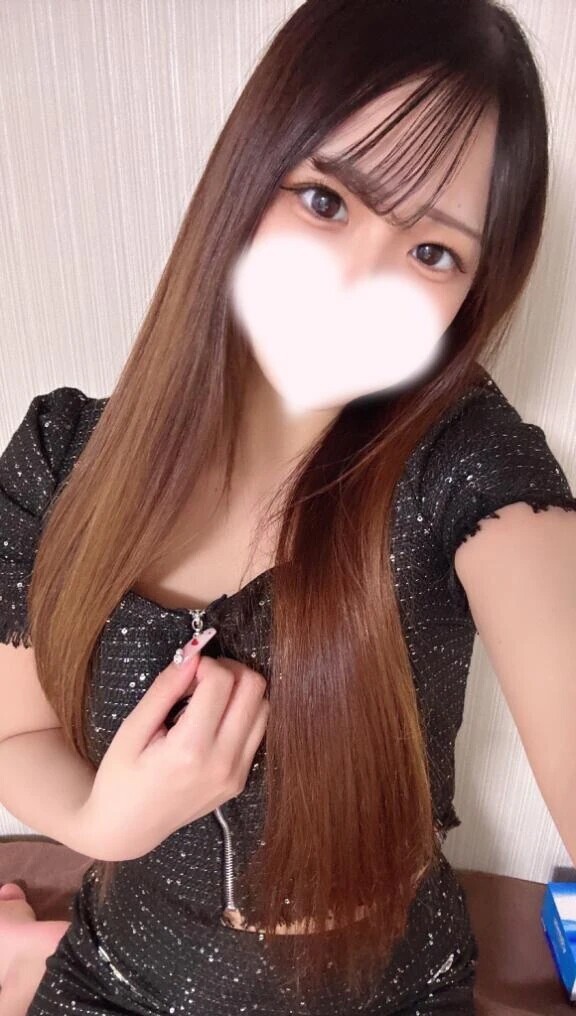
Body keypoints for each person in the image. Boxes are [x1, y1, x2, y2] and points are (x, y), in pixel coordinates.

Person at [1, 0, 575, 1013]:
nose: (357, 279)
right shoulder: (60, 457)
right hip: (116, 977)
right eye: (325, 199)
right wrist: (102, 822)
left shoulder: (466, 469)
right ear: (246, 177)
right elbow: (13, 736)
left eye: (432, 252)